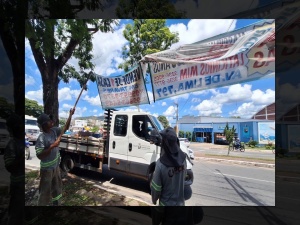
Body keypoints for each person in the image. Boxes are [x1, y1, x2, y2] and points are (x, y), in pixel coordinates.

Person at [35, 109, 74, 206]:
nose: (51, 121)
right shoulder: (41, 137)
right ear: (44, 124)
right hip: (46, 170)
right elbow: (39, 155)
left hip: (56, 168)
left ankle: (56, 205)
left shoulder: (54, 131)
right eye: (49, 121)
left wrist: (70, 115)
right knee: (45, 192)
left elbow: (66, 127)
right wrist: (52, 145)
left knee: (57, 190)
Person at [150, 127, 187, 206]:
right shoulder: (183, 159)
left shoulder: (160, 164)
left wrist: (154, 200)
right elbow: (183, 179)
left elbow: (156, 189)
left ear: (165, 144)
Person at [3, 114, 25, 225]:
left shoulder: (21, 141)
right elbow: (10, 167)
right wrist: (21, 158)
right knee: (16, 214)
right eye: (19, 125)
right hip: (18, 186)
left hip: (23, 185)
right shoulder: (12, 144)